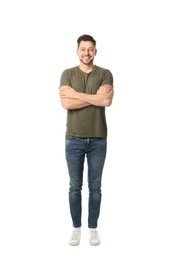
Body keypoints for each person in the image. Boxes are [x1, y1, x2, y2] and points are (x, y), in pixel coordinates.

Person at [59, 34, 114, 246]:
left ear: (95, 51)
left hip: (99, 138)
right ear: (77, 51)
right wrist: (94, 98)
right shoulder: (67, 74)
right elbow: (65, 104)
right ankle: (76, 229)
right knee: (74, 187)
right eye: (83, 49)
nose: (87, 53)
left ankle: (93, 228)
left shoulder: (105, 73)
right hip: (73, 138)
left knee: (96, 187)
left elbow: (107, 100)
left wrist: (76, 94)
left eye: (90, 49)